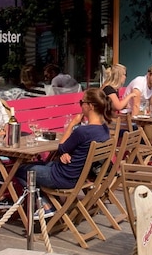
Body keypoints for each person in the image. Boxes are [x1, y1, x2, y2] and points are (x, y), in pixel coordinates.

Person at [12, 88, 114, 216]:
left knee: (18, 169)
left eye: (82, 102)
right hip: (79, 177)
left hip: (63, 177)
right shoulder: (104, 129)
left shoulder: (82, 131)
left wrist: (72, 124)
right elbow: (77, 149)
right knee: (41, 164)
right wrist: (67, 152)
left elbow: (61, 147)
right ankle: (46, 204)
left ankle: (46, 205)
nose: (81, 105)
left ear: (90, 106)